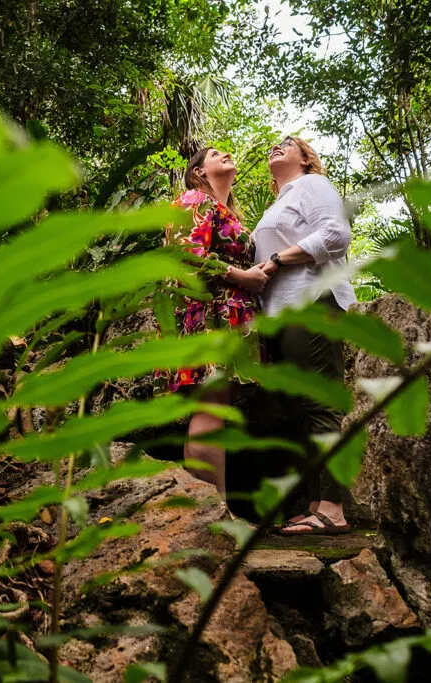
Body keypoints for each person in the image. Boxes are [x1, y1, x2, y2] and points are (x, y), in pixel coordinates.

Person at [252, 136, 356, 536]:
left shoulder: (313, 185)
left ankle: (333, 506)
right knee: (298, 408)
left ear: (306, 158)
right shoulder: (276, 203)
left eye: (287, 143)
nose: (276, 146)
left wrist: (277, 260)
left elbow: (335, 235)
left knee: (319, 402)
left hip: (312, 300)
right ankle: (315, 502)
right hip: (281, 313)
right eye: (272, 145)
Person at [159, 146, 270, 501]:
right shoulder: (193, 199)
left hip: (225, 317)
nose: (225, 154)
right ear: (199, 172)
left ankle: (211, 509)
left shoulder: (224, 210)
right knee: (211, 411)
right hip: (208, 317)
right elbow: (184, 254)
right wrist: (242, 275)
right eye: (215, 154)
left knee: (213, 411)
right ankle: (217, 512)